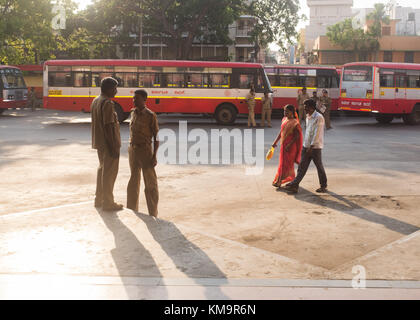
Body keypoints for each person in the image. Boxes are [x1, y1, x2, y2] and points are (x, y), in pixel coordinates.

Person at [91, 77, 123, 211]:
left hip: (99, 142)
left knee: (102, 170)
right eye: (115, 88)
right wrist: (113, 146)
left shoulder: (96, 100)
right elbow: (109, 126)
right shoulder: (108, 103)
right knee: (109, 173)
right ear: (109, 89)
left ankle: (99, 199)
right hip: (108, 143)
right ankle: (108, 202)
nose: (116, 91)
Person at [127, 89, 160, 217]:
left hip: (145, 151)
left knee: (150, 184)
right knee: (133, 181)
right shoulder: (132, 113)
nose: (134, 100)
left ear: (144, 100)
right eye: (133, 98)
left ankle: (153, 212)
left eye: (137, 98)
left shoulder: (150, 115)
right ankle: (131, 209)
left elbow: (157, 136)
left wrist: (154, 155)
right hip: (133, 150)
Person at [284, 99, 328, 194]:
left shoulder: (319, 117)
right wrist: (305, 145)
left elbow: (317, 133)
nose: (305, 109)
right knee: (302, 166)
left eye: (306, 107)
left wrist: (311, 147)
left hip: (315, 147)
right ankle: (294, 185)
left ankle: (323, 185)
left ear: (312, 107)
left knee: (319, 166)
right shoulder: (308, 116)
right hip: (306, 145)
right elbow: (308, 132)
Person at [271, 104, 303, 188]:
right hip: (283, 146)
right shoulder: (284, 119)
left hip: (291, 147)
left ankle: (279, 181)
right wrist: (275, 142)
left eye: (287, 111)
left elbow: (297, 136)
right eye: (284, 111)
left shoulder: (295, 123)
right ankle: (290, 180)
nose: (285, 113)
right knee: (282, 164)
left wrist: (289, 144)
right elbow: (281, 132)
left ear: (292, 112)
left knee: (286, 165)